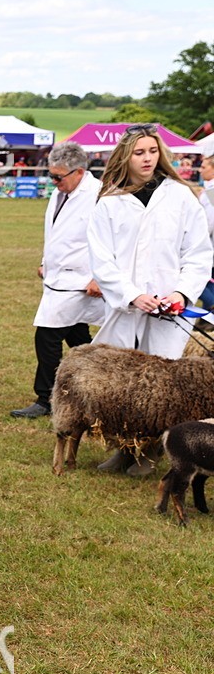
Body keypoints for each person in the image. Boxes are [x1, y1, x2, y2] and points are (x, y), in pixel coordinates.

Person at [87, 124, 214, 474]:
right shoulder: (109, 200)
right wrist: (132, 295)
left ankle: (150, 453)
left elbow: (199, 253)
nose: (147, 158)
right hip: (128, 307)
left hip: (170, 309)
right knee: (124, 383)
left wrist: (181, 292)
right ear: (126, 155)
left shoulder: (180, 196)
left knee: (163, 387)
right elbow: (102, 258)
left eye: (152, 151)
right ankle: (125, 447)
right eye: (139, 152)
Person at [11, 142, 105, 421]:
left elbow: (111, 240)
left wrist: (98, 277)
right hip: (59, 277)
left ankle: (47, 398)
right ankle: (94, 388)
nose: (53, 182)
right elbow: (54, 232)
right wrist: (45, 261)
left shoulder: (100, 195)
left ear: (79, 172)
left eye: (58, 177)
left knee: (47, 337)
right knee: (80, 340)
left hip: (81, 280)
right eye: (51, 176)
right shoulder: (61, 191)